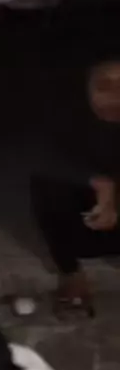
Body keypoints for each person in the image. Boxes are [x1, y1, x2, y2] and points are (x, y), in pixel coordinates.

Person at [31, 64, 120, 316]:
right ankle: (72, 276)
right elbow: (39, 158)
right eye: (104, 86)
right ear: (88, 89)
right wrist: (101, 184)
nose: (115, 95)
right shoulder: (67, 119)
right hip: (84, 229)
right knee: (46, 183)